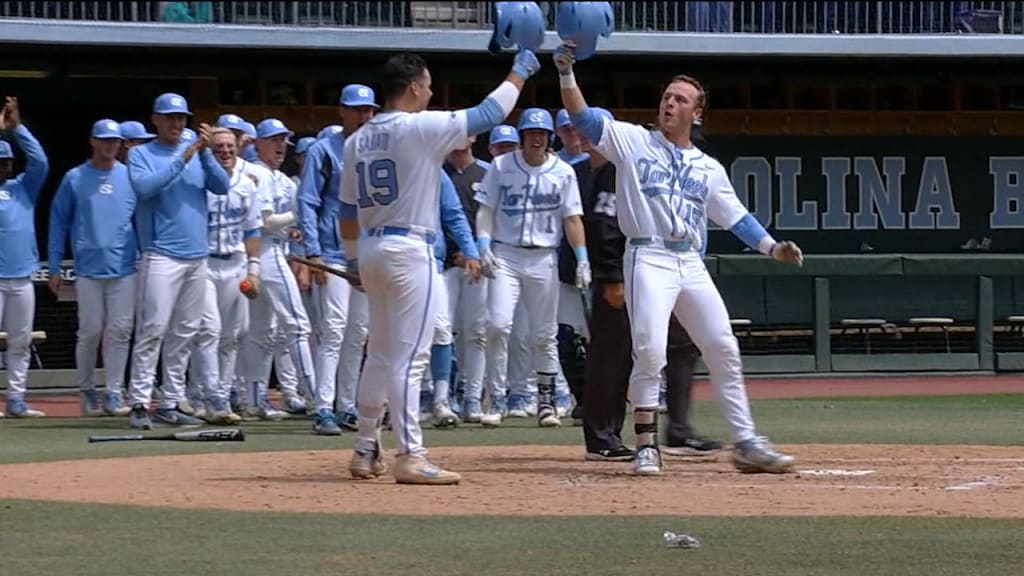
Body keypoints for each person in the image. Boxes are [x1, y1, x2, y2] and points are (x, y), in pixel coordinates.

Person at [555, 45, 803, 475]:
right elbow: (585, 119)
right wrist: (565, 73)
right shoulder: (633, 140)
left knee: (723, 345)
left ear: (697, 114)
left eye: (680, 99)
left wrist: (772, 247)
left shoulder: (707, 167)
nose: (670, 103)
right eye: (667, 97)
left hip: (689, 260)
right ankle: (647, 443)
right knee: (650, 348)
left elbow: (736, 217)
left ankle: (746, 442)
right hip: (647, 254)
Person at [339, 49, 539, 484]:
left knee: (381, 354)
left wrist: (352, 259)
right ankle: (410, 454)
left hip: (370, 247)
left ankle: (363, 448)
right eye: (427, 85)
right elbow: (490, 111)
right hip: (409, 248)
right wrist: (520, 71)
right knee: (410, 359)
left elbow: (347, 212)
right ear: (412, 87)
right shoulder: (419, 127)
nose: (430, 92)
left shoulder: (355, 139)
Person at [474, 108, 590, 429]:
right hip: (506, 253)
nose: (536, 139)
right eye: (530, 134)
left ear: (549, 138)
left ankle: (546, 402)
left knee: (544, 334)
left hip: (544, 255)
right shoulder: (501, 165)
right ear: (522, 137)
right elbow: (485, 209)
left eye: (541, 134)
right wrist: (483, 245)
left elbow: (572, 219)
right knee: (497, 325)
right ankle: (496, 398)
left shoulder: (563, 171)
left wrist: (581, 257)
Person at [125, 93, 229, 430]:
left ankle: (170, 400)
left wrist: (206, 152)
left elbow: (222, 185)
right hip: (160, 253)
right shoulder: (141, 153)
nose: (176, 123)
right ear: (155, 119)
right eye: (170, 117)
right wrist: (185, 156)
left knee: (185, 332)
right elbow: (145, 188)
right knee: (152, 329)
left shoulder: (197, 152)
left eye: (181, 118)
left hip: (196, 254)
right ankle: (139, 401)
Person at [298, 84, 378, 435]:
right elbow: (308, 201)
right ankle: (323, 407)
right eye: (356, 109)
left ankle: (347, 405)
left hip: (368, 252)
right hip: (331, 251)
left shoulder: (377, 148)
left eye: (368, 110)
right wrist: (312, 251)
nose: (363, 116)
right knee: (333, 330)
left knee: (358, 333)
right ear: (342, 111)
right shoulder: (323, 149)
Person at [47, 119, 136, 417]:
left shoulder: (130, 176)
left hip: (124, 266)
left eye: (115, 141)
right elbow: (58, 221)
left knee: (121, 331)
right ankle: (86, 390)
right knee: (90, 331)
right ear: (93, 141)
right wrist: (55, 264)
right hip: (87, 268)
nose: (111, 145)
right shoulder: (75, 177)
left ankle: (113, 392)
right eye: (105, 140)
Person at [239, 118, 317, 426]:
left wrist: (292, 229)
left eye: (283, 140)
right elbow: (267, 221)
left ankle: (255, 400)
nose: (280, 145)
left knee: (263, 332)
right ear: (258, 143)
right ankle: (316, 397)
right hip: (266, 252)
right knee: (297, 325)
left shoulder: (275, 176)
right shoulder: (257, 170)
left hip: (266, 252)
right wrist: (297, 216)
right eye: (273, 139)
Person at [185, 127, 261, 424]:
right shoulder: (200, 182)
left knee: (231, 335)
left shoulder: (247, 184)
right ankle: (207, 394)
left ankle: (222, 394)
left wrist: (254, 270)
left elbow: (252, 230)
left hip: (235, 261)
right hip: (204, 261)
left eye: (230, 147)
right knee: (208, 330)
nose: (226, 152)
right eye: (219, 148)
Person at [440, 130, 497, 423]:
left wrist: (474, 252)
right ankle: (442, 396)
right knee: (442, 331)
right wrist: (456, 252)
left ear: (474, 137)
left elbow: (493, 217)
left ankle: (473, 398)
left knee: (476, 332)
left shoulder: (487, 171)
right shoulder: (437, 171)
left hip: (479, 264)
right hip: (447, 263)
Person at [0, 96, 49, 419]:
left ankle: (16, 399)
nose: (3, 166)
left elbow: (40, 162)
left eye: (5, 161)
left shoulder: (23, 188)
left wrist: (17, 129)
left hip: (21, 276)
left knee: (20, 342)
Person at [426, 169, 480, 428]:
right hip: (389, 256)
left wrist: (470, 251)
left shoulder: (435, 171)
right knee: (394, 335)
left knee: (441, 328)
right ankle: (394, 404)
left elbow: (453, 214)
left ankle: (440, 401)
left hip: (430, 259)